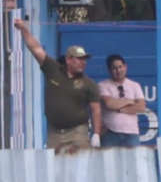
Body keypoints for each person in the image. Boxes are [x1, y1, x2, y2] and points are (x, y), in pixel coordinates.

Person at [12, 19, 102, 151]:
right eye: (79, 58)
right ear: (68, 59)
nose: (83, 62)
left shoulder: (89, 83)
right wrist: (23, 28)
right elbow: (35, 48)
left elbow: (96, 110)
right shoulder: (53, 69)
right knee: (55, 169)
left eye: (85, 59)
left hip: (77, 132)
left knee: (79, 167)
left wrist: (96, 134)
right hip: (54, 133)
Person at [99, 54, 146, 147]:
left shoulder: (134, 85)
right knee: (109, 161)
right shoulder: (103, 85)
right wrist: (129, 102)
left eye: (120, 67)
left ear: (125, 67)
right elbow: (109, 104)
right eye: (114, 68)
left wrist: (119, 109)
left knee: (133, 161)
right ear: (109, 70)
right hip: (110, 133)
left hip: (132, 134)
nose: (118, 70)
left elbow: (141, 106)